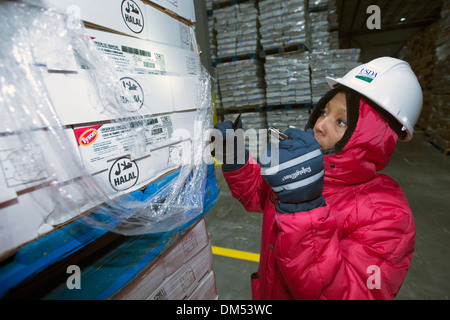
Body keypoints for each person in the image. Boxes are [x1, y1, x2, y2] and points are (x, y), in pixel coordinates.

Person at [211, 57, 423, 299]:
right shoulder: (306, 172)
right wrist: (234, 155)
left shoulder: (388, 215)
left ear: (374, 138)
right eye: (324, 112)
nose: (320, 125)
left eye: (341, 121)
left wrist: (304, 210)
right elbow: (258, 195)